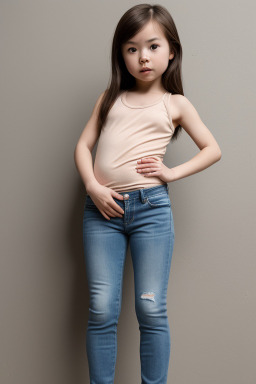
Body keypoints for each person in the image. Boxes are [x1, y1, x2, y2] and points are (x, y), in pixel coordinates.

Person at [74, 4, 221, 384]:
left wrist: (171, 172)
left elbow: (212, 149)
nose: (142, 57)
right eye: (131, 48)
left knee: (150, 309)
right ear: (121, 55)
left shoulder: (175, 103)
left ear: (171, 50)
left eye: (153, 46)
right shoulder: (109, 96)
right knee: (102, 308)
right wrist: (92, 186)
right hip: (101, 211)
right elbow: (82, 146)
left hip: (150, 211)